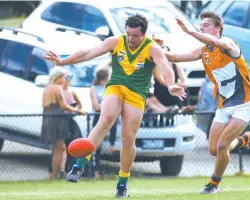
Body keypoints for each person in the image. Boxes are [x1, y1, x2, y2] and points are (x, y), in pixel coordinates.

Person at [43, 14, 186, 198]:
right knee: (105, 120)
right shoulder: (116, 41)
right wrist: (63, 61)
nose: (131, 38)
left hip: (136, 94)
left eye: (135, 35)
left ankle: (122, 184)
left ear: (144, 34)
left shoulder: (152, 48)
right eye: (128, 34)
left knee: (128, 137)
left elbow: (165, 67)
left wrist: (171, 85)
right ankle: (79, 166)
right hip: (116, 87)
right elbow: (87, 52)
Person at [154, 11, 250, 194]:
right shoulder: (203, 51)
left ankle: (213, 184)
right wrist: (158, 49)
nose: (202, 28)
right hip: (225, 104)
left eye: (206, 25)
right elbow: (175, 57)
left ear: (218, 28)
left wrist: (189, 32)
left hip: (246, 103)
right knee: (213, 150)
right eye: (200, 26)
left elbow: (217, 42)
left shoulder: (229, 44)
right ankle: (241, 141)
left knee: (221, 145)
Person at [41, 67, 85, 179]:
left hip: (47, 117)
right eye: (62, 77)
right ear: (58, 77)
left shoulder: (47, 88)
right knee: (59, 148)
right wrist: (78, 111)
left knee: (58, 147)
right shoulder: (57, 88)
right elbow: (63, 106)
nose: (64, 79)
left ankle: (55, 173)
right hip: (58, 120)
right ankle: (55, 175)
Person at [90, 67, 118, 179]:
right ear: (105, 77)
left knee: (114, 124)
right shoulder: (94, 89)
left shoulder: (110, 87)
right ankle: (96, 171)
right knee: (96, 145)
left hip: (110, 116)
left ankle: (112, 145)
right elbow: (96, 106)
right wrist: (108, 106)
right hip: (98, 117)